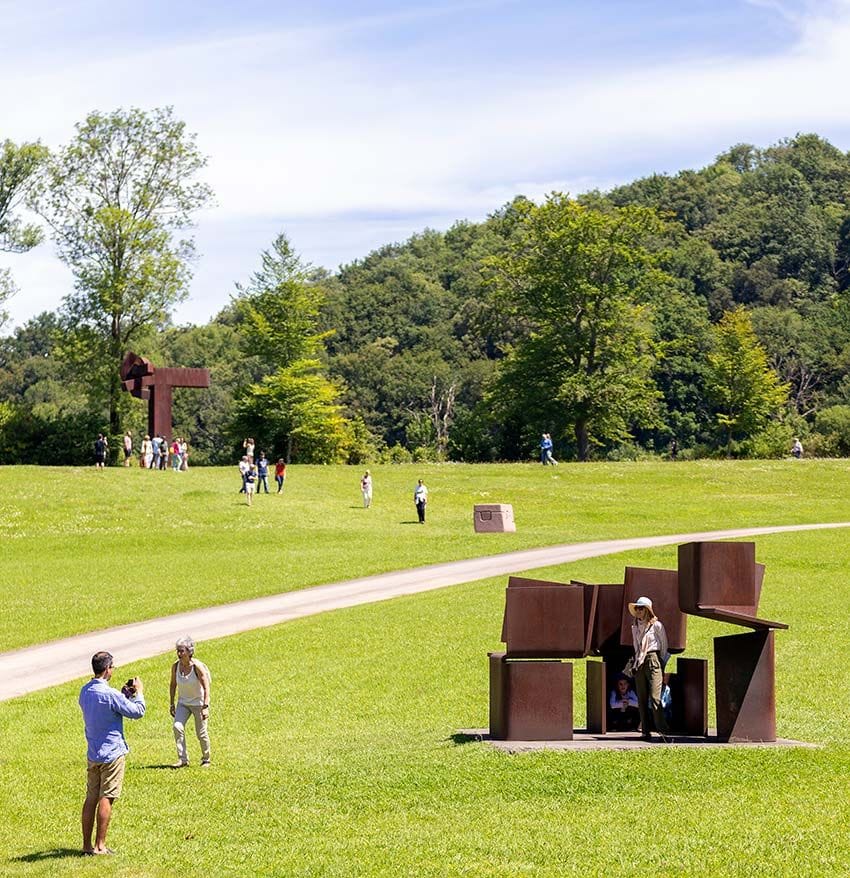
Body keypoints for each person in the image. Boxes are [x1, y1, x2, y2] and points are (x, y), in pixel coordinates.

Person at [79, 650, 145, 855]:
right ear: (107, 669)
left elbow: (105, 707)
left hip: (93, 752)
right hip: (112, 754)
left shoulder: (85, 691)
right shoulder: (111, 695)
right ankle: (100, 845)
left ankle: (86, 846)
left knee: (91, 798)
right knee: (106, 797)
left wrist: (123, 695)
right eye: (113, 666)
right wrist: (139, 693)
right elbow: (137, 712)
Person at [628, 595, 672, 742]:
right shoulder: (634, 627)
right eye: (636, 608)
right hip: (639, 662)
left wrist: (660, 661)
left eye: (641, 608)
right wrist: (636, 662)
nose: (638, 611)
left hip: (653, 659)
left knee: (655, 697)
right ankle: (645, 731)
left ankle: (663, 730)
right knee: (641, 697)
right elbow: (636, 645)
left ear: (647, 610)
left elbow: (664, 645)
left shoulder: (656, 625)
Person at [169, 636, 211, 768]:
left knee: (201, 732)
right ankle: (183, 759)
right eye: (178, 651)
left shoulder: (197, 667)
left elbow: (206, 687)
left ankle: (206, 759)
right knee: (177, 727)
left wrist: (205, 706)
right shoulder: (175, 666)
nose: (179, 654)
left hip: (198, 704)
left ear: (189, 652)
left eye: (182, 651)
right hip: (183, 703)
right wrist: (171, 703)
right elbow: (172, 685)